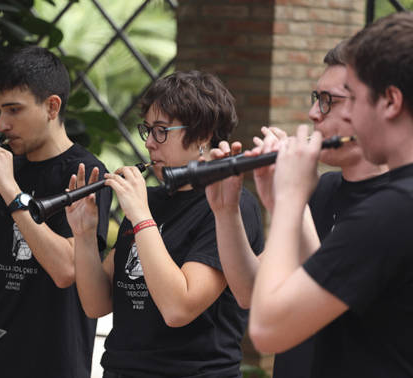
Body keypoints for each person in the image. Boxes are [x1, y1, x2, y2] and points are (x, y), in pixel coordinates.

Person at [249, 12, 413, 377]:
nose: (350, 116)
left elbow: (267, 329)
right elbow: (340, 288)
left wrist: (291, 200)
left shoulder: (395, 209)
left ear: (390, 101)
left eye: (352, 98)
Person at [66, 70, 264, 378]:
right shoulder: (152, 200)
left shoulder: (229, 206)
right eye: (148, 130)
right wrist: (84, 233)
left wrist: (141, 216)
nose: (150, 144)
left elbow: (178, 308)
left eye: (162, 131)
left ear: (202, 135)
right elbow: (96, 303)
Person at [0, 46, 112, 378]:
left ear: (52, 106)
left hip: (53, 362)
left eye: (14, 110)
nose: (2, 123)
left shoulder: (86, 172)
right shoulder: (8, 171)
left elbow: (65, 270)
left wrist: (12, 192)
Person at [271, 41, 388, 378]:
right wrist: (226, 207)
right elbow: (251, 292)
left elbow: (330, 306)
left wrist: (292, 197)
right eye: (315, 97)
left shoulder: (396, 205)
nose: (313, 113)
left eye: (328, 101)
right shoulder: (321, 190)